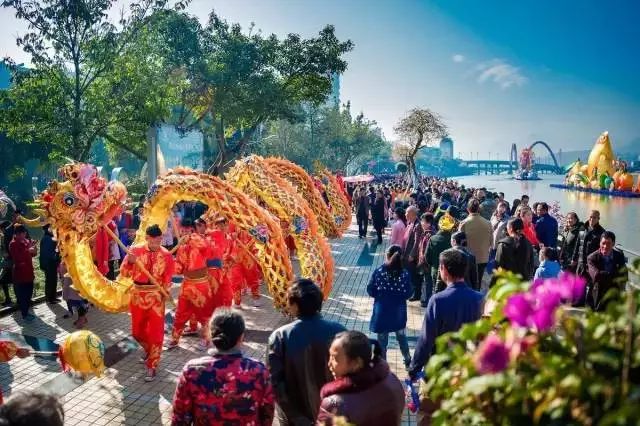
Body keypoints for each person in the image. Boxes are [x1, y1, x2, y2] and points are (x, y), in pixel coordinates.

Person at [409, 249, 484, 425]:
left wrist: (414, 369)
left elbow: (426, 340)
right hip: (467, 372)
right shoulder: (480, 299)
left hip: (438, 372)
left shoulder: (437, 300)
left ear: (443, 269)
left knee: (429, 415)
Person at [172, 311, 274, 425]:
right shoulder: (258, 370)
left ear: (210, 335)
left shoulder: (192, 370)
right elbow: (267, 413)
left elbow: (179, 417)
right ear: (241, 337)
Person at [267, 278, 346, 425]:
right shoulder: (340, 331)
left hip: (293, 419)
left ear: (295, 305)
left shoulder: (279, 337)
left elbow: (275, 384)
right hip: (333, 415)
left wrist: (298, 419)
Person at [119, 224, 175, 381]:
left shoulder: (166, 255)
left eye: (158, 241)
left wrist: (165, 292)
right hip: (137, 295)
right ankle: (149, 350)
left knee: (156, 332)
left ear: (161, 239)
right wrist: (130, 262)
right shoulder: (135, 251)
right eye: (152, 241)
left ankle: (152, 365)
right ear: (146, 238)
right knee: (137, 331)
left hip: (156, 297)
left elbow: (168, 277)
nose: (155, 244)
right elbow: (124, 273)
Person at [317, 331, 405, 426]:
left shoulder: (334, 404)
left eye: (334, 358)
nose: (329, 364)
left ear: (356, 363)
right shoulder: (391, 380)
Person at [167, 220, 215, 351]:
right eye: (182, 231)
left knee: (203, 313)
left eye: (187, 231)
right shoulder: (182, 247)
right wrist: (169, 263)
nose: (184, 233)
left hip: (201, 284)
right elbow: (179, 268)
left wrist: (190, 238)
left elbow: (204, 247)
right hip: (186, 284)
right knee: (180, 312)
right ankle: (175, 338)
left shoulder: (200, 241)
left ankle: (207, 338)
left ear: (193, 231)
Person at [366, 245, 412, 368]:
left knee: (382, 342)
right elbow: (409, 293)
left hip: (382, 311)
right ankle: (408, 360)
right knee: (402, 337)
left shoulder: (379, 272)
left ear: (387, 255)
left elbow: (370, 290)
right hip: (399, 312)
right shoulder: (405, 274)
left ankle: (383, 366)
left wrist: (380, 296)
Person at [587, 231, 627, 311]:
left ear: (613, 244)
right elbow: (596, 276)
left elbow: (624, 275)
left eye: (608, 243)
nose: (605, 246)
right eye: (603, 243)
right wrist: (615, 276)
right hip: (597, 295)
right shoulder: (592, 258)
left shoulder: (619, 256)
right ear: (599, 243)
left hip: (614, 296)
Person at [458, 198, 493, 286]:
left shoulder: (463, 223)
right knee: (478, 280)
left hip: (468, 258)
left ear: (467, 209)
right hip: (483, 257)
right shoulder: (488, 223)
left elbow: (458, 243)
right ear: (479, 209)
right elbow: (491, 242)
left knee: (468, 282)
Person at [8, 224, 37, 321]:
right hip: (20, 274)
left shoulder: (25, 241)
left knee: (28, 295)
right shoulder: (13, 244)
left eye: (25, 233)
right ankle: (24, 314)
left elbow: (32, 254)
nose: (25, 235)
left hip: (29, 272)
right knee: (23, 296)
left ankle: (26, 312)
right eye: (23, 233)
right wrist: (28, 249)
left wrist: (34, 248)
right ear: (17, 234)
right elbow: (17, 258)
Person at [573, 210, 605, 289]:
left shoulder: (601, 232)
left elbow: (601, 251)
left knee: (590, 288)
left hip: (591, 265)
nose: (592, 219)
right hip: (580, 263)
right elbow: (577, 244)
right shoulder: (582, 228)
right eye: (590, 217)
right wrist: (574, 258)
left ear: (598, 219)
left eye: (594, 217)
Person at [494, 218, 534, 282]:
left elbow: (498, 266)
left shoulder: (503, 245)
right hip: (523, 283)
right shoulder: (528, 244)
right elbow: (531, 265)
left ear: (510, 229)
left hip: (507, 283)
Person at [425, 218, 453, 294]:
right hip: (450, 272)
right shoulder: (453, 240)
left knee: (436, 290)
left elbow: (427, 256)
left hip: (435, 270)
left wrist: (433, 265)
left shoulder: (433, 239)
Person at [402, 206, 424, 302]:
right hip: (406, 253)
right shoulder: (410, 223)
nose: (405, 214)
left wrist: (412, 254)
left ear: (412, 214)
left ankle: (416, 294)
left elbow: (417, 241)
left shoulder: (418, 225)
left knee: (414, 275)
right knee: (409, 274)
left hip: (412, 256)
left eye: (407, 213)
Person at [59, 262, 88, 328]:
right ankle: (82, 318)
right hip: (69, 280)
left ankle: (81, 319)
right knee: (74, 301)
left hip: (77, 279)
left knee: (79, 301)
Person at [416, 213, 436, 306]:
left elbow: (427, 251)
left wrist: (424, 262)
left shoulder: (429, 234)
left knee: (428, 281)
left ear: (428, 223)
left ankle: (427, 300)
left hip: (427, 263)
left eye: (423, 221)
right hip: (425, 263)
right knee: (427, 281)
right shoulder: (427, 232)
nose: (421, 223)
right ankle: (426, 298)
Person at [0, 221, 13, 306]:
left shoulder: (9, 237)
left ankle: (9, 299)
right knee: (3, 281)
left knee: (3, 280)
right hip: (7, 263)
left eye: (1, 229)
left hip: (11, 263)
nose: (1, 230)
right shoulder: (3, 237)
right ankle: (8, 299)